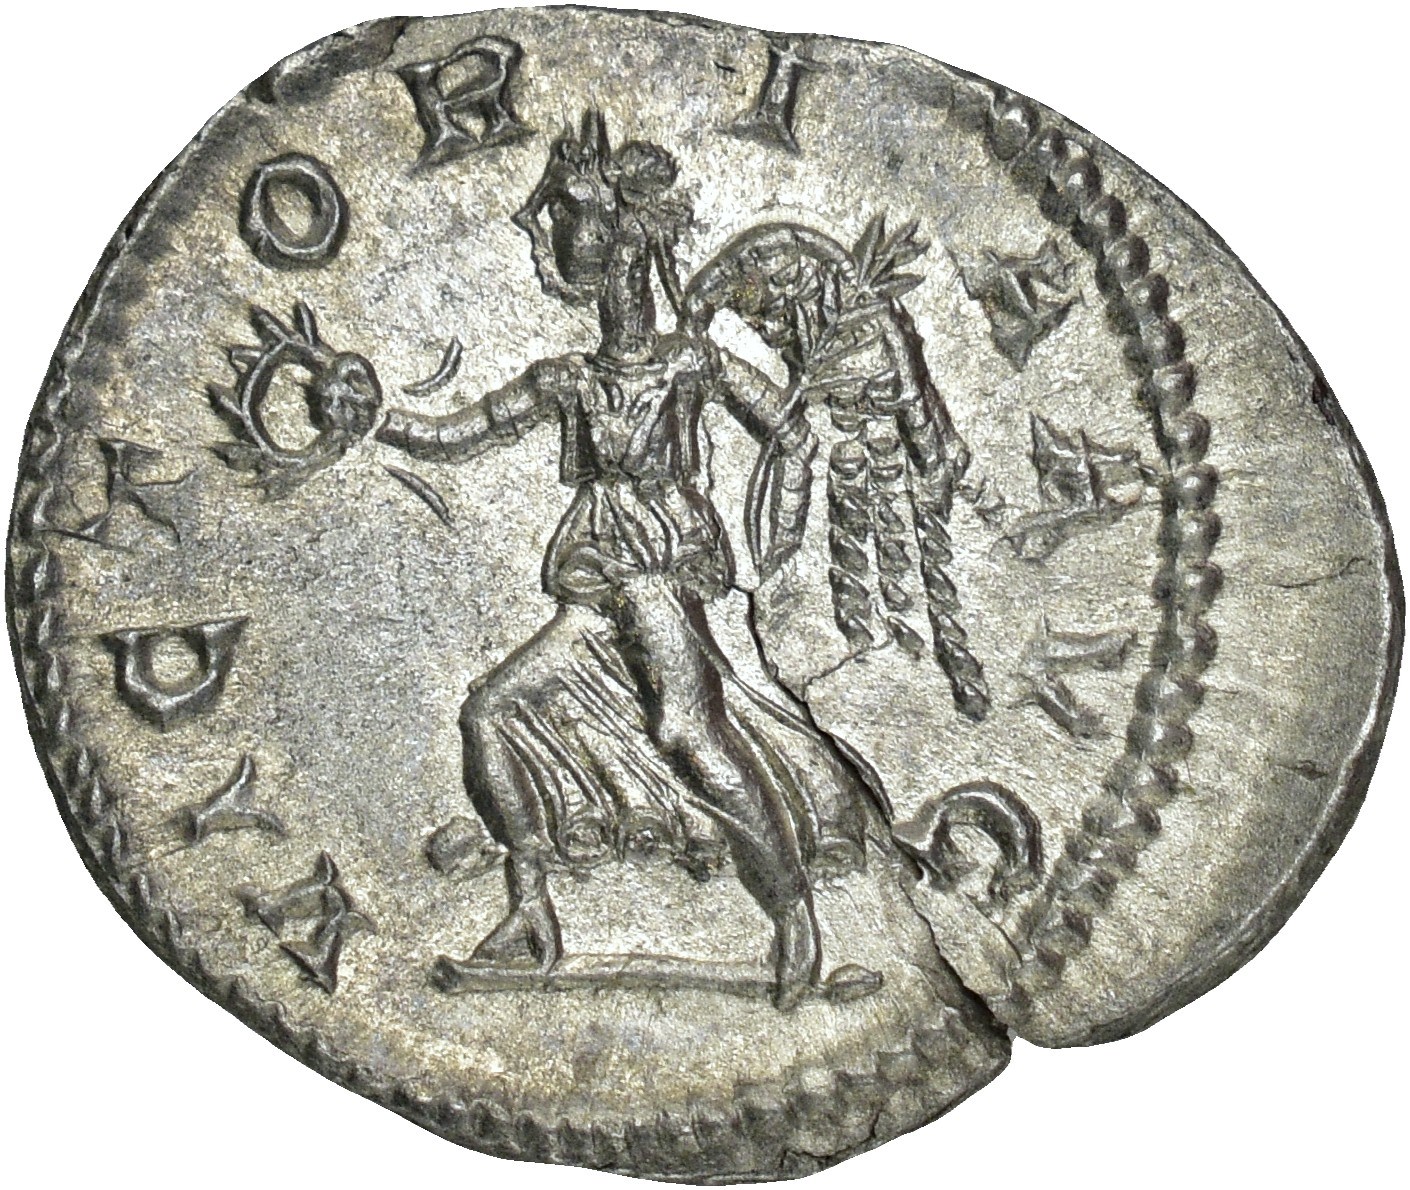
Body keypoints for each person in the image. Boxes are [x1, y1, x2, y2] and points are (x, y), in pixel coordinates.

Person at [375, 111, 882, 1009]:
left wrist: (781, 520)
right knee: (489, 710)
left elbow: (790, 428)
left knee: (689, 732)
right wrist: (373, 419)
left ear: (635, 248)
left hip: (659, 573)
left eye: (602, 241)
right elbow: (458, 433)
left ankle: (793, 914)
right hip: (597, 574)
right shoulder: (568, 378)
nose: (592, 264)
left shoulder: (691, 364)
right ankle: (530, 912)